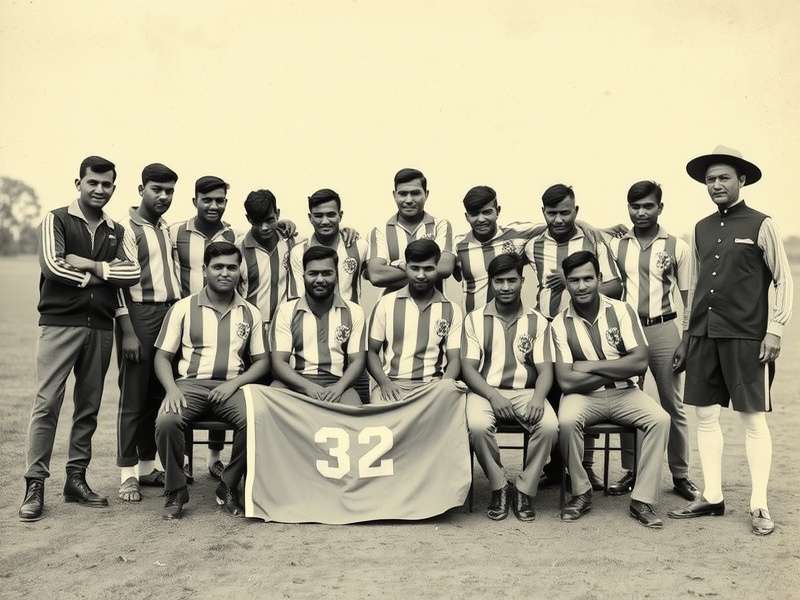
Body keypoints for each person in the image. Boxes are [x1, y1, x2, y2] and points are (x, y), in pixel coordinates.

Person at [668, 146, 793, 536]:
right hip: (705, 334)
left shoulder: (762, 224)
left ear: (742, 180)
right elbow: (699, 287)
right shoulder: (701, 228)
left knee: (752, 419)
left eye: (724, 178)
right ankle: (712, 495)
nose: (716, 185)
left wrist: (775, 330)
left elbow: (783, 280)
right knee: (704, 416)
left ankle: (759, 504)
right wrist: (688, 336)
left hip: (746, 336)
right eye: (710, 180)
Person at [19, 156, 141, 522]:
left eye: (107, 185)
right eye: (93, 183)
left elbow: (132, 272)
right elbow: (53, 266)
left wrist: (90, 266)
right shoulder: (56, 219)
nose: (100, 190)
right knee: (48, 403)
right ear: (79, 183)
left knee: (88, 407)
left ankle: (76, 478)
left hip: (101, 327)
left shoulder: (117, 231)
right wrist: (105, 277)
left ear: (114, 188)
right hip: (60, 323)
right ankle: (34, 484)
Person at [552, 250, 670, 528]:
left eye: (587, 279)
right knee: (566, 421)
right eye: (574, 280)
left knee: (660, 419)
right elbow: (566, 381)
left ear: (599, 279)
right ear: (566, 284)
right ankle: (581, 492)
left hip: (626, 393)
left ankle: (642, 499)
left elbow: (640, 363)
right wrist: (617, 364)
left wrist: (588, 366)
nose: (581, 286)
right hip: (582, 397)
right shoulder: (559, 323)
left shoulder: (621, 310)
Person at [153, 241, 269, 520]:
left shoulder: (250, 312)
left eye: (231, 267)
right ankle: (176, 489)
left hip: (231, 388)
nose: (225, 273)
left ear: (239, 271)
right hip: (190, 385)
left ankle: (228, 486)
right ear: (205, 270)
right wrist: (171, 389)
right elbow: (161, 357)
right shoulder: (183, 308)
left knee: (258, 419)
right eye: (217, 267)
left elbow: (262, 361)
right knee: (167, 420)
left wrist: (234, 384)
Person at [606, 180, 699, 501]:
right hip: (627, 333)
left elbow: (691, 300)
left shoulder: (678, 247)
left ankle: (681, 474)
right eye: (635, 206)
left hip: (664, 330)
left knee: (672, 403)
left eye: (648, 206)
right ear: (627, 208)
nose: (641, 212)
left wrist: (686, 341)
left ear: (660, 207)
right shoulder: (616, 246)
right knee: (627, 401)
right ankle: (631, 471)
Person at [524, 183, 623, 487]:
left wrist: (568, 284)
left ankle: (585, 466)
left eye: (565, 213)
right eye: (552, 213)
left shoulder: (591, 242)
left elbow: (616, 285)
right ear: (543, 213)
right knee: (550, 395)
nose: (558, 220)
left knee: (583, 392)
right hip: (545, 328)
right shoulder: (532, 245)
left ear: (576, 211)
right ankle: (553, 469)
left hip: (580, 329)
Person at [461, 253, 558, 521]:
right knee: (478, 427)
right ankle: (499, 486)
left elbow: (546, 370)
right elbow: (468, 368)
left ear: (522, 281)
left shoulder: (537, 320)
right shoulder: (474, 319)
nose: (505, 287)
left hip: (525, 392)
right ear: (491, 283)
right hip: (485, 391)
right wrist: (493, 396)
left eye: (511, 280)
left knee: (549, 426)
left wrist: (538, 399)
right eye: (499, 281)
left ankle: (525, 488)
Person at [115, 163, 181, 502]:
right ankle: (127, 474)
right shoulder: (126, 228)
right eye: (157, 189)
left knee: (158, 394)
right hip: (139, 314)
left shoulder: (166, 226)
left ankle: (145, 467)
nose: (164, 196)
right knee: (133, 397)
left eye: (169, 191)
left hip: (169, 311)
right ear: (141, 190)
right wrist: (127, 329)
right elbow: (119, 283)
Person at [454, 185, 625, 313]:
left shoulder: (593, 242)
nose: (481, 219)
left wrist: (592, 228)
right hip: (477, 323)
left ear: (497, 211)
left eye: (487, 212)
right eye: (474, 214)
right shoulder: (458, 245)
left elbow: (616, 289)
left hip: (583, 322)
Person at [169, 175, 239, 479]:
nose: (213, 206)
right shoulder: (175, 232)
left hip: (224, 316)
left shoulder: (233, 233)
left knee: (223, 377)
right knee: (184, 389)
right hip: (185, 319)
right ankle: (181, 463)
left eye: (219, 200)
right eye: (207, 199)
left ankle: (214, 458)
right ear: (195, 199)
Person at [367, 239, 463, 403]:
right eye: (415, 268)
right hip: (393, 384)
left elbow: (454, 359)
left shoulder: (451, 309)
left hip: (432, 385)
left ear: (437, 268)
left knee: (454, 409)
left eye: (428, 269)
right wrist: (384, 383)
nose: (421, 275)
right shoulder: (386, 303)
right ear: (406, 267)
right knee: (381, 424)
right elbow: (371, 352)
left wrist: (443, 386)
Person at [271, 246, 366, 406]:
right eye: (313, 273)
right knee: (270, 409)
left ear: (337, 275)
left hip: (337, 384)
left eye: (327, 273)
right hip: (294, 382)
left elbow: (358, 361)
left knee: (354, 415)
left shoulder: (354, 311)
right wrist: (309, 387)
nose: (320, 279)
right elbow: (279, 362)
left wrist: (339, 387)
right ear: (303, 276)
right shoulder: (286, 310)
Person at [366, 168, 455, 293]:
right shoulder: (380, 230)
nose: (408, 200)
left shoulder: (440, 225)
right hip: (392, 308)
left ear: (426, 194)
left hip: (435, 307)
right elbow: (376, 275)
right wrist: (427, 272)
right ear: (394, 195)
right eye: (403, 194)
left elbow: (445, 267)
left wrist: (400, 267)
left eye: (415, 193)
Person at [288, 188, 368, 304]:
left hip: (351, 320)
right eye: (319, 216)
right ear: (310, 218)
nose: (325, 221)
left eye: (330, 215)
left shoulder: (359, 246)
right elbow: (299, 299)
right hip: (312, 320)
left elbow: (375, 273)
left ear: (340, 215)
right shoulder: (299, 252)